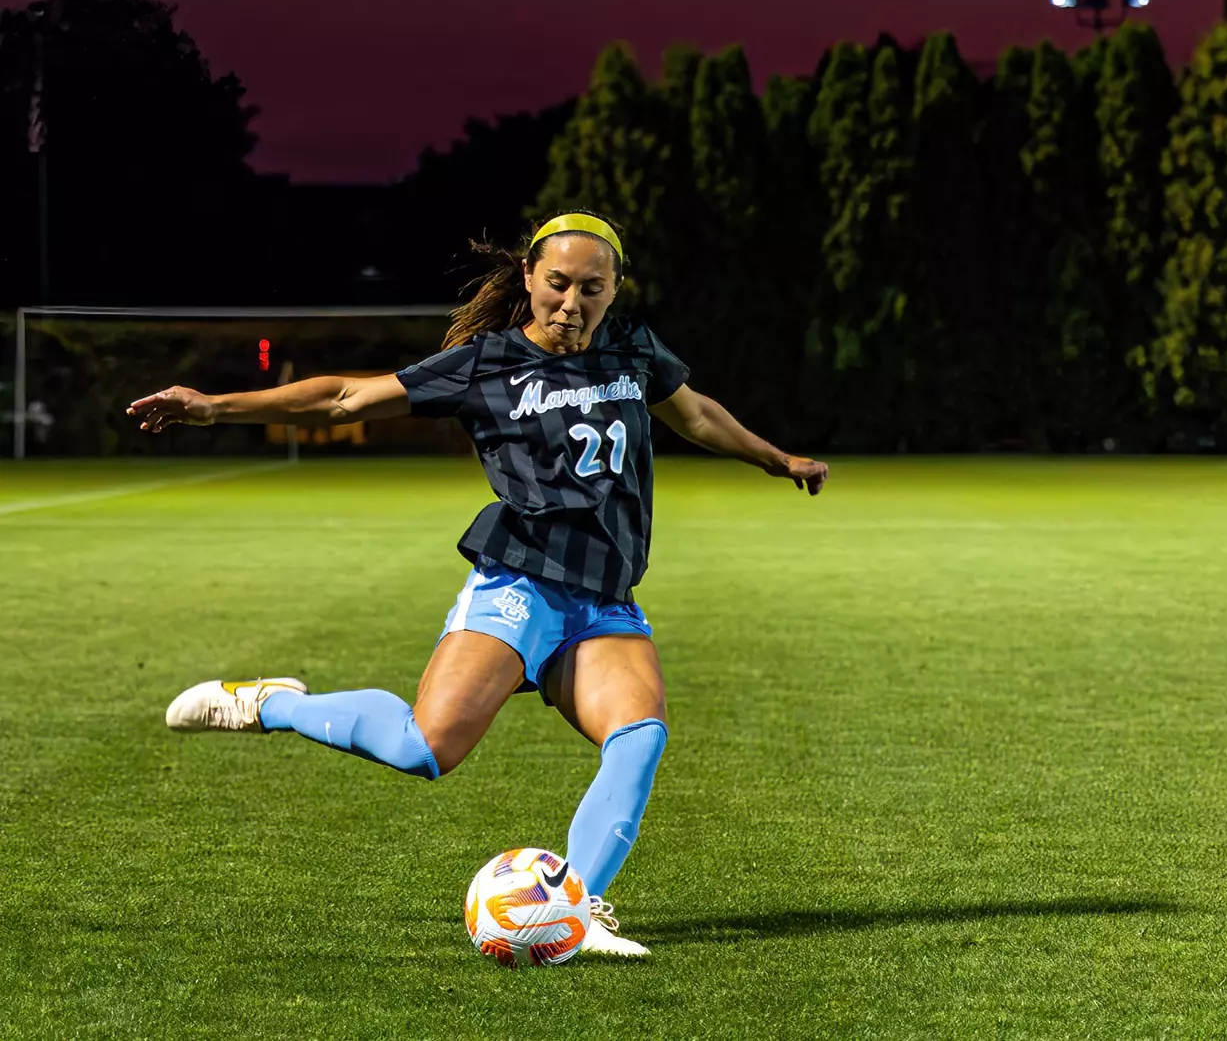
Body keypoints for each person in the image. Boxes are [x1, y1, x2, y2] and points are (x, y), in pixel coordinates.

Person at [127, 211, 828, 958]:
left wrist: (773, 458)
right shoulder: (485, 363)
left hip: (605, 598)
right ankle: (272, 704)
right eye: (557, 284)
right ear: (528, 277)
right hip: (521, 581)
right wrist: (213, 408)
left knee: (638, 736)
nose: (572, 303)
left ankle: (576, 910)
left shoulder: (633, 350)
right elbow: (344, 399)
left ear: (615, 288)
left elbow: (696, 415)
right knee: (426, 749)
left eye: (592, 288)